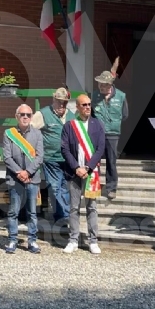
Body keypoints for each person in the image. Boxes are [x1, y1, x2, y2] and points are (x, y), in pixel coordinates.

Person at [60, 93, 106, 255]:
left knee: (91, 207)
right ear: (77, 107)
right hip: (74, 173)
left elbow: (101, 148)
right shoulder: (69, 126)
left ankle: (93, 241)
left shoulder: (97, 124)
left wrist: (88, 167)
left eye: (89, 104)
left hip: (91, 174)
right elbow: (64, 149)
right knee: (73, 208)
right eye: (84, 105)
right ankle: (73, 240)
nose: (87, 107)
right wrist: (76, 168)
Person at [2, 103, 44, 254]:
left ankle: (32, 241)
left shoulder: (38, 134)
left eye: (28, 115)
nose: (25, 117)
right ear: (16, 116)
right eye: (22, 114)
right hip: (15, 178)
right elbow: (6, 157)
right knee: (13, 211)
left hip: (32, 178)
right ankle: (13, 240)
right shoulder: (8, 133)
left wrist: (28, 172)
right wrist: (20, 172)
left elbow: (40, 157)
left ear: (32, 117)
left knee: (32, 212)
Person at [31, 87, 74, 222]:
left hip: (68, 159)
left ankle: (62, 217)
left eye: (65, 102)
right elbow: (30, 131)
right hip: (51, 158)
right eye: (59, 101)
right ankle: (64, 217)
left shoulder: (71, 115)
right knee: (55, 188)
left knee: (65, 189)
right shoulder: (43, 114)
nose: (62, 105)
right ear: (54, 99)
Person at [92, 70, 128, 201]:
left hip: (113, 134)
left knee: (111, 161)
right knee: (94, 160)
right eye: (99, 84)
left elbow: (125, 115)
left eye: (103, 84)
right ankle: (92, 186)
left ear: (110, 85)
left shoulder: (121, 96)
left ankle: (111, 188)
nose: (100, 87)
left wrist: (113, 124)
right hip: (97, 134)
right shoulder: (94, 96)